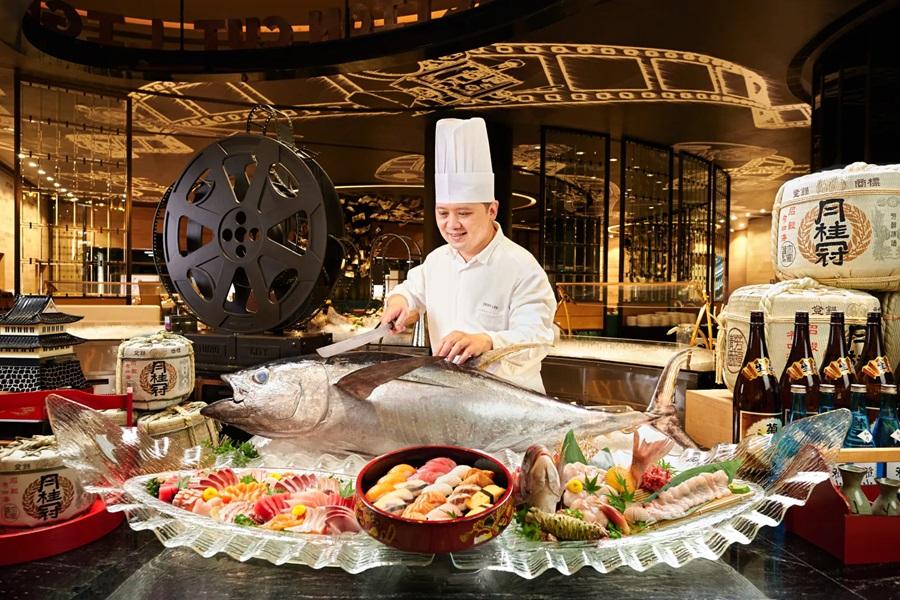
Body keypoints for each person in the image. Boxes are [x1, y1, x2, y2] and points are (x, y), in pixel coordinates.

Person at [381, 117, 556, 392]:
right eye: (443, 213)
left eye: (464, 213)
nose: (452, 224)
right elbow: (411, 291)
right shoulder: (437, 260)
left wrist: (488, 341)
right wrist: (399, 303)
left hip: (510, 400)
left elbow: (537, 338)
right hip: (450, 395)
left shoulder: (521, 267)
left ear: (492, 210)